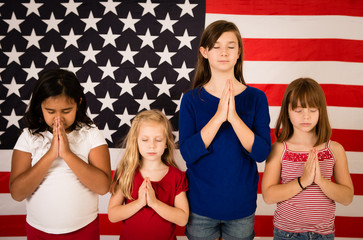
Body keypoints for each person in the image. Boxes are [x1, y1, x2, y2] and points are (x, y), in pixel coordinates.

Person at [179, 20, 271, 240]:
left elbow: (261, 153)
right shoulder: (191, 99)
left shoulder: (256, 98)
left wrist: (234, 118)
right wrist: (219, 117)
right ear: (204, 52)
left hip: (241, 208)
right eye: (216, 46)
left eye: (231, 46)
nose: (224, 52)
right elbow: (188, 153)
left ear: (238, 52)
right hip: (200, 208)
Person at [9, 69, 112, 239]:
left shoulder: (91, 133)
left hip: (84, 229)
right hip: (39, 230)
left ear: (78, 103)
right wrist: (51, 154)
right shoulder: (29, 137)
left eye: (66, 111)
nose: (59, 118)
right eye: (50, 111)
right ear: (39, 106)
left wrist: (67, 154)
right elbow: (17, 193)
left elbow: (103, 187)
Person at [261, 78, 354, 239]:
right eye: (298, 110)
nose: (306, 116)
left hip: (323, 235)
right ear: (287, 112)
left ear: (321, 112)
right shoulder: (279, 149)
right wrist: (303, 181)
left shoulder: (335, 150)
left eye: (312, 110)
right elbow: (268, 196)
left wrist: (320, 180)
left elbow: (347, 198)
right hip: (287, 234)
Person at [108, 109, 189, 240]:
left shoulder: (176, 176)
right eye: (145, 140)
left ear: (166, 143)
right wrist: (140, 202)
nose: (152, 146)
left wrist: (154, 203)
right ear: (136, 141)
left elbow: (182, 219)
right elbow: (112, 215)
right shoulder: (126, 173)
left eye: (158, 140)